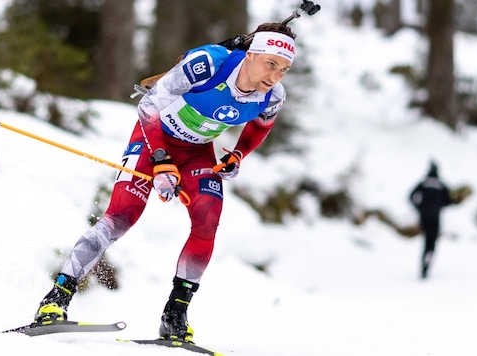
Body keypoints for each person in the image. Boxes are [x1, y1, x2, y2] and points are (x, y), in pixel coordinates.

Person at [34, 22, 297, 342]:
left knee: (207, 220)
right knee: (121, 217)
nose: (274, 76)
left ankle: (175, 315)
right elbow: (148, 105)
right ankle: (55, 300)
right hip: (152, 142)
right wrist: (161, 162)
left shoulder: (273, 96)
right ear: (251, 55)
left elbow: (260, 128)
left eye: (283, 69)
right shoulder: (209, 63)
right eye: (270, 64)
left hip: (197, 154)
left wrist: (237, 155)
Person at [409, 161, 451, 279]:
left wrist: (419, 207)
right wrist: (439, 206)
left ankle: (424, 265)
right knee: (432, 242)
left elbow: (410, 196)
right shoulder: (441, 184)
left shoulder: (424, 182)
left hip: (424, 216)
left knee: (426, 241)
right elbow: (449, 200)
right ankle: (427, 263)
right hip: (435, 216)